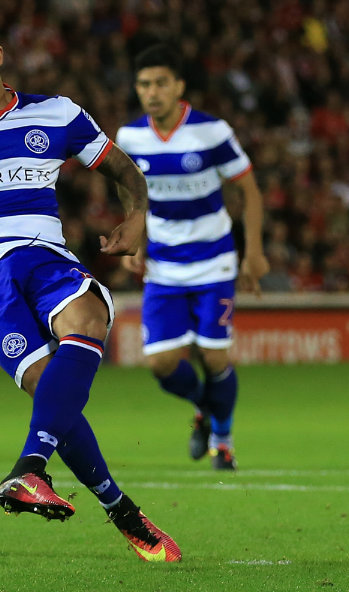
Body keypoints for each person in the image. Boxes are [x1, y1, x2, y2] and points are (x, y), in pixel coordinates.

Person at [0, 9, 181, 562]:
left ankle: (28, 471)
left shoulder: (57, 114)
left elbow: (124, 172)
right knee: (54, 392)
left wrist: (137, 214)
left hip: (44, 255)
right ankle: (122, 511)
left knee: (89, 316)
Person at [115, 43, 269, 471]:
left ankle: (223, 439)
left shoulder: (211, 132)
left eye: (161, 82)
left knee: (215, 356)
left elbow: (249, 190)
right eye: (145, 84)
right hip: (163, 263)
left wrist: (253, 252)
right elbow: (128, 187)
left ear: (179, 87)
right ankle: (207, 409)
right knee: (162, 363)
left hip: (214, 258)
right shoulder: (130, 137)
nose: (152, 91)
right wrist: (136, 234)